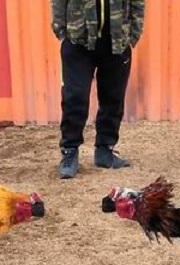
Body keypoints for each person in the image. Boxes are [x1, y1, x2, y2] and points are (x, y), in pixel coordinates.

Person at [51, 0, 145, 179]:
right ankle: (70, 152)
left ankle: (105, 151)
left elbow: (138, 3)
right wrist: (61, 30)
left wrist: (134, 33)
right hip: (78, 39)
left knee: (113, 98)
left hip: (117, 40)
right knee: (75, 97)